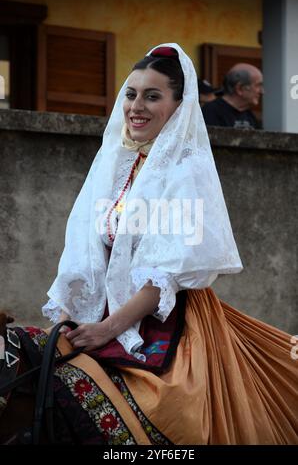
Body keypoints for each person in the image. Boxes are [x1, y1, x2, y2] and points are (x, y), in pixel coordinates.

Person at [36, 44, 297, 445]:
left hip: (167, 319)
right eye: (131, 93)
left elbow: (166, 276)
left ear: (179, 106)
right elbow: (86, 252)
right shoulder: (118, 162)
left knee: (160, 419)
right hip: (107, 310)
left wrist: (110, 327)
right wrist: (70, 316)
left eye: (152, 96)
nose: (136, 106)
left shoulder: (185, 172)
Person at [202, 63, 263, 129]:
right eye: (257, 85)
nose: (262, 91)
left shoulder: (250, 116)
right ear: (239, 88)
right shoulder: (211, 112)